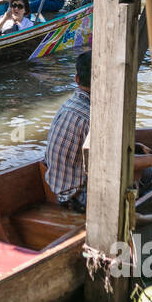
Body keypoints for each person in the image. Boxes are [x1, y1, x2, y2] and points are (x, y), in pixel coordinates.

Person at [43, 51, 93, 210]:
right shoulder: (92, 116)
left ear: (77, 79)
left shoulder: (68, 105)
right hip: (78, 198)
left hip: (57, 190)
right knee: (146, 173)